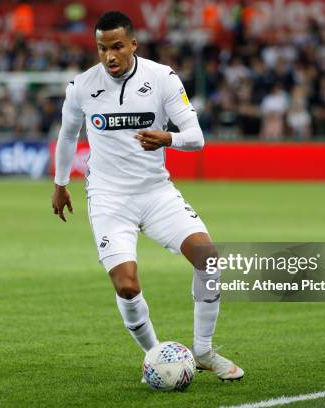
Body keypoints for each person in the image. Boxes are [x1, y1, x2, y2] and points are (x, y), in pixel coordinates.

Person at [51, 11, 243, 382]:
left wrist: (168, 137)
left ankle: (203, 350)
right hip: (109, 198)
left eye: (117, 47)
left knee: (209, 260)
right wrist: (60, 183)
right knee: (127, 284)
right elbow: (67, 135)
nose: (110, 56)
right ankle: (155, 356)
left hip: (156, 193)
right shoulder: (81, 86)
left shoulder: (161, 78)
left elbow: (196, 137)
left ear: (133, 44)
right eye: (102, 48)